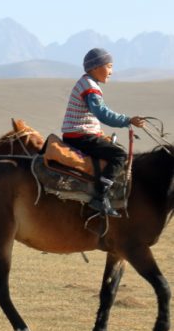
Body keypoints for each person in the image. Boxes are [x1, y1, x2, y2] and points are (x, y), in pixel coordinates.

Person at [61, 47, 145, 217]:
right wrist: (128, 120)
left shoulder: (88, 83)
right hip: (80, 136)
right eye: (109, 66)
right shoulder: (89, 87)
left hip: (80, 134)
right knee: (119, 156)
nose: (111, 72)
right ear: (95, 67)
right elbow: (102, 113)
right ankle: (100, 196)